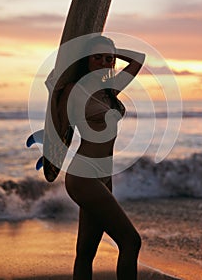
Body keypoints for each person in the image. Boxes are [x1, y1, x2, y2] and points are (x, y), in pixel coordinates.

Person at [56, 36, 145, 280]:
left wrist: (111, 52)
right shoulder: (74, 89)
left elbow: (139, 59)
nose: (104, 62)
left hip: (104, 176)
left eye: (109, 59)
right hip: (83, 175)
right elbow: (59, 126)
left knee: (86, 252)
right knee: (130, 241)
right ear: (86, 60)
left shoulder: (109, 90)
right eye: (97, 57)